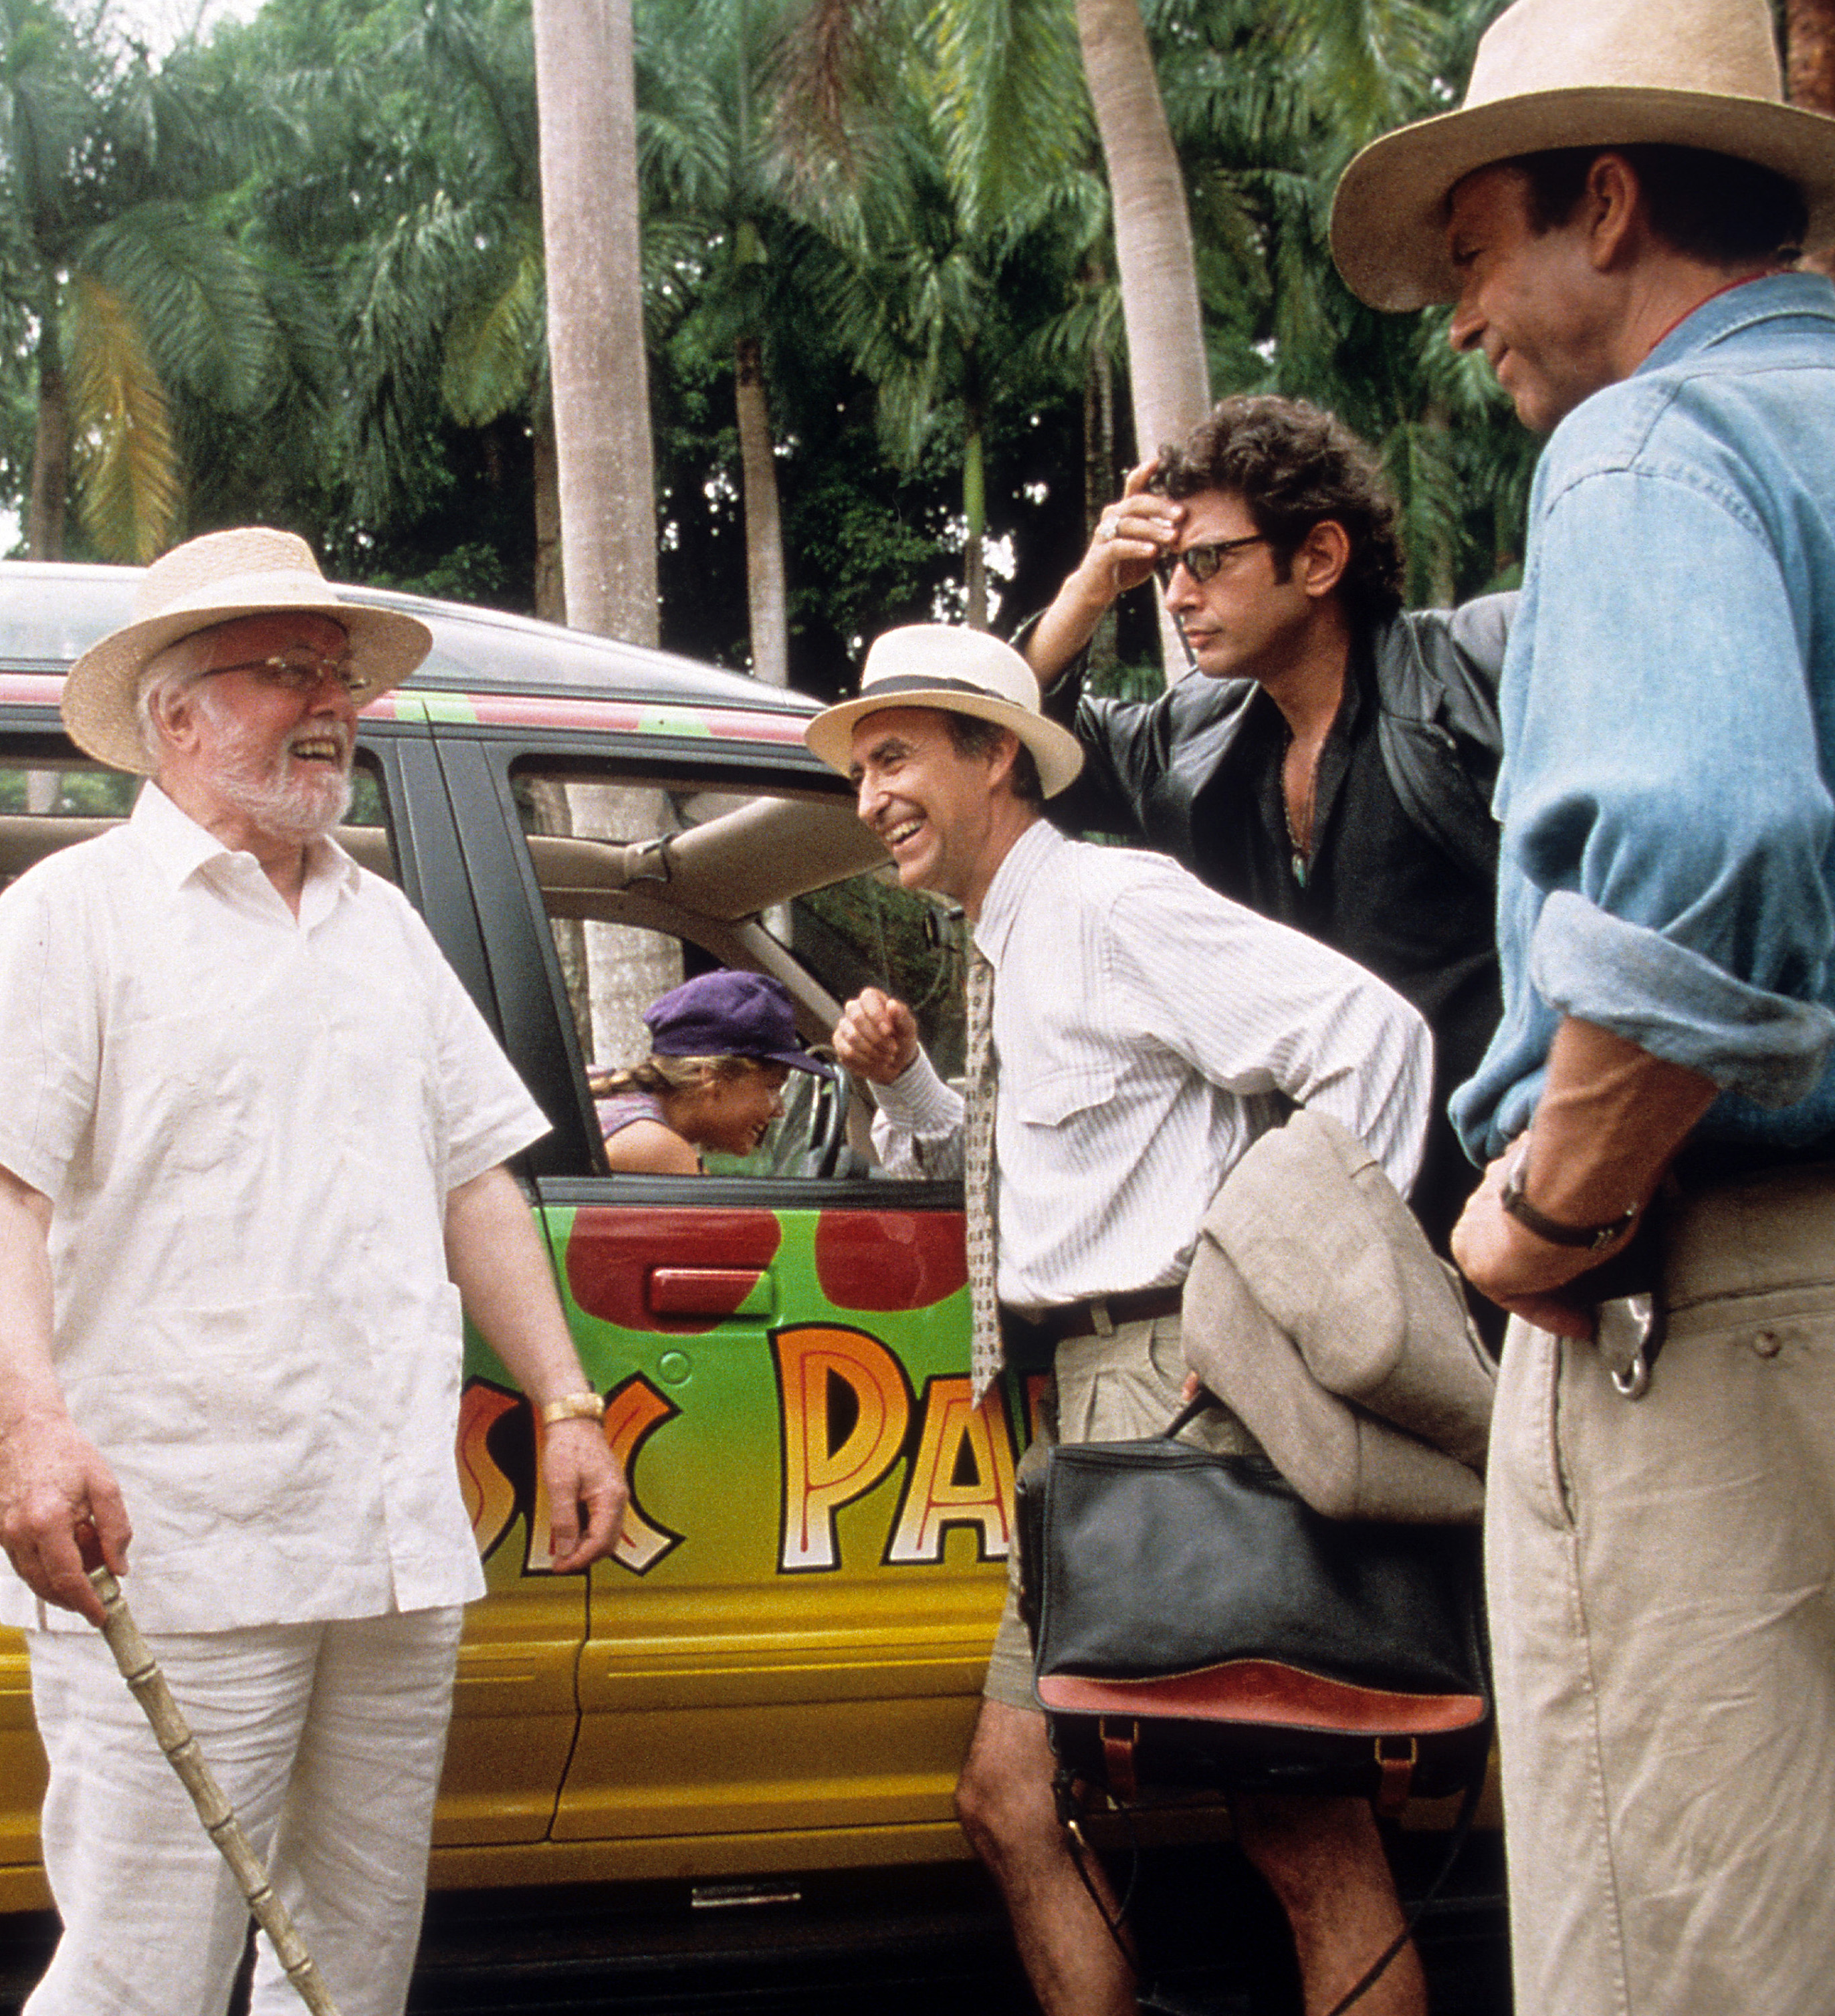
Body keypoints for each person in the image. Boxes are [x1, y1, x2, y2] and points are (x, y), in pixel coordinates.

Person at [1330, 0, 1835, 2010]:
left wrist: (1547, 1204)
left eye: (1473, 253)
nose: (1459, 316)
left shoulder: (1651, 443)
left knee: (1698, 1969)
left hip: (1717, 1314)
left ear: (1608, 204)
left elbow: (1707, 865)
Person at [0, 526, 629, 2016]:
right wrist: (32, 1429)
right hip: (176, 1542)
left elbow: (472, 1180)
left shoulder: (380, 927)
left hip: (386, 1542)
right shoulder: (72, 914)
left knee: (349, 1968)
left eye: (339, 674)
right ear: (173, 715)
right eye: (284, 671)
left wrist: (565, 1401)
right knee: (140, 1973)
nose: (330, 703)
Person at [810, 623, 1437, 2016]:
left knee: (1296, 1823)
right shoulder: (1012, 942)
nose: (872, 797)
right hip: (1102, 1402)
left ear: (993, 757)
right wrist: (913, 1092)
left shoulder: (1103, 905)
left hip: (1184, 1388)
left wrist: (1282, 1300)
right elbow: (1062, 1174)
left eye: (896, 756)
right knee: (1011, 1797)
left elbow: (1370, 1036)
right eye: (860, 769)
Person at [1020, 395, 1513, 1238]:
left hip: (1522, 1211)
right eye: (1170, 565)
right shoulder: (1195, 738)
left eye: (1206, 560)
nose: (1175, 595)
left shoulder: (1478, 670)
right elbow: (1022, 751)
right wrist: (1089, 585)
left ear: (1318, 557)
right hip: (1344, 1247)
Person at [591, 969, 827, 1175]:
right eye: (773, 1087)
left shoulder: (601, 1083)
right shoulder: (662, 1152)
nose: (780, 1111)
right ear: (712, 1077)